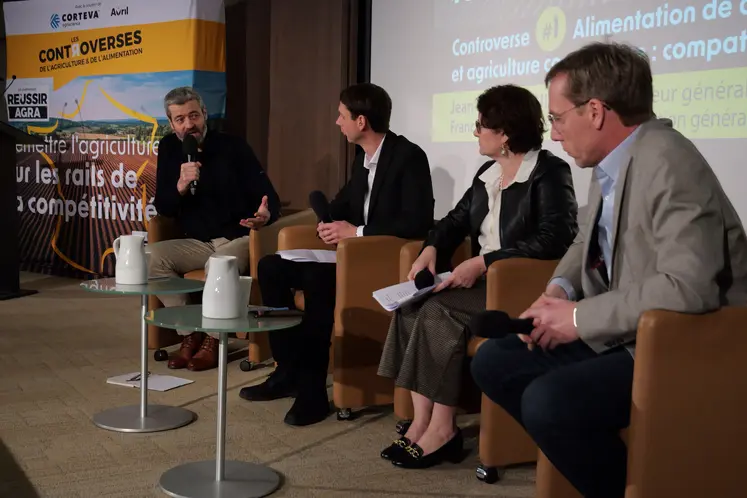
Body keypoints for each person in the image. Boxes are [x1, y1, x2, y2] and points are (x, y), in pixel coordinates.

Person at [470, 42, 747, 498]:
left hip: (687, 346)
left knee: (549, 402)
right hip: (633, 334)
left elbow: (689, 286)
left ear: (595, 111)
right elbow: (587, 240)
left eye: (557, 118)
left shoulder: (668, 160)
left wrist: (578, 320)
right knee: (494, 361)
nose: (554, 134)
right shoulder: (612, 163)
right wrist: (560, 288)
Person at [377, 84, 579, 469]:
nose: (475, 132)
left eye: (481, 125)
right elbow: (454, 221)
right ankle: (420, 421)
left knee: (438, 311)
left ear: (504, 133)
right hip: (485, 281)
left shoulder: (549, 172)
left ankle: (444, 429)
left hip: (522, 286)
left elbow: (555, 238)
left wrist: (486, 263)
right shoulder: (489, 173)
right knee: (411, 305)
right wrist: (431, 248)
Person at [239, 83, 435, 427]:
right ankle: (287, 370)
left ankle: (312, 393)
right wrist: (326, 222)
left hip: (385, 263)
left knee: (316, 279)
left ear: (361, 121)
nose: (336, 122)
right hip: (353, 258)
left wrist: (355, 232)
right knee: (270, 267)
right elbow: (338, 205)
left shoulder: (408, 156)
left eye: (342, 115)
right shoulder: (365, 160)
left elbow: (416, 221)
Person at [149, 86, 281, 372]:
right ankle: (189, 333)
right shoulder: (171, 148)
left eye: (194, 116)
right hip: (195, 241)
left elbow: (269, 199)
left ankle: (213, 339)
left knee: (218, 265)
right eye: (180, 119)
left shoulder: (233, 147)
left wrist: (264, 214)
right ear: (171, 125)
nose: (189, 124)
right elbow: (164, 208)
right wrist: (180, 186)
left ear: (204, 115)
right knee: (150, 259)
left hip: (237, 236)